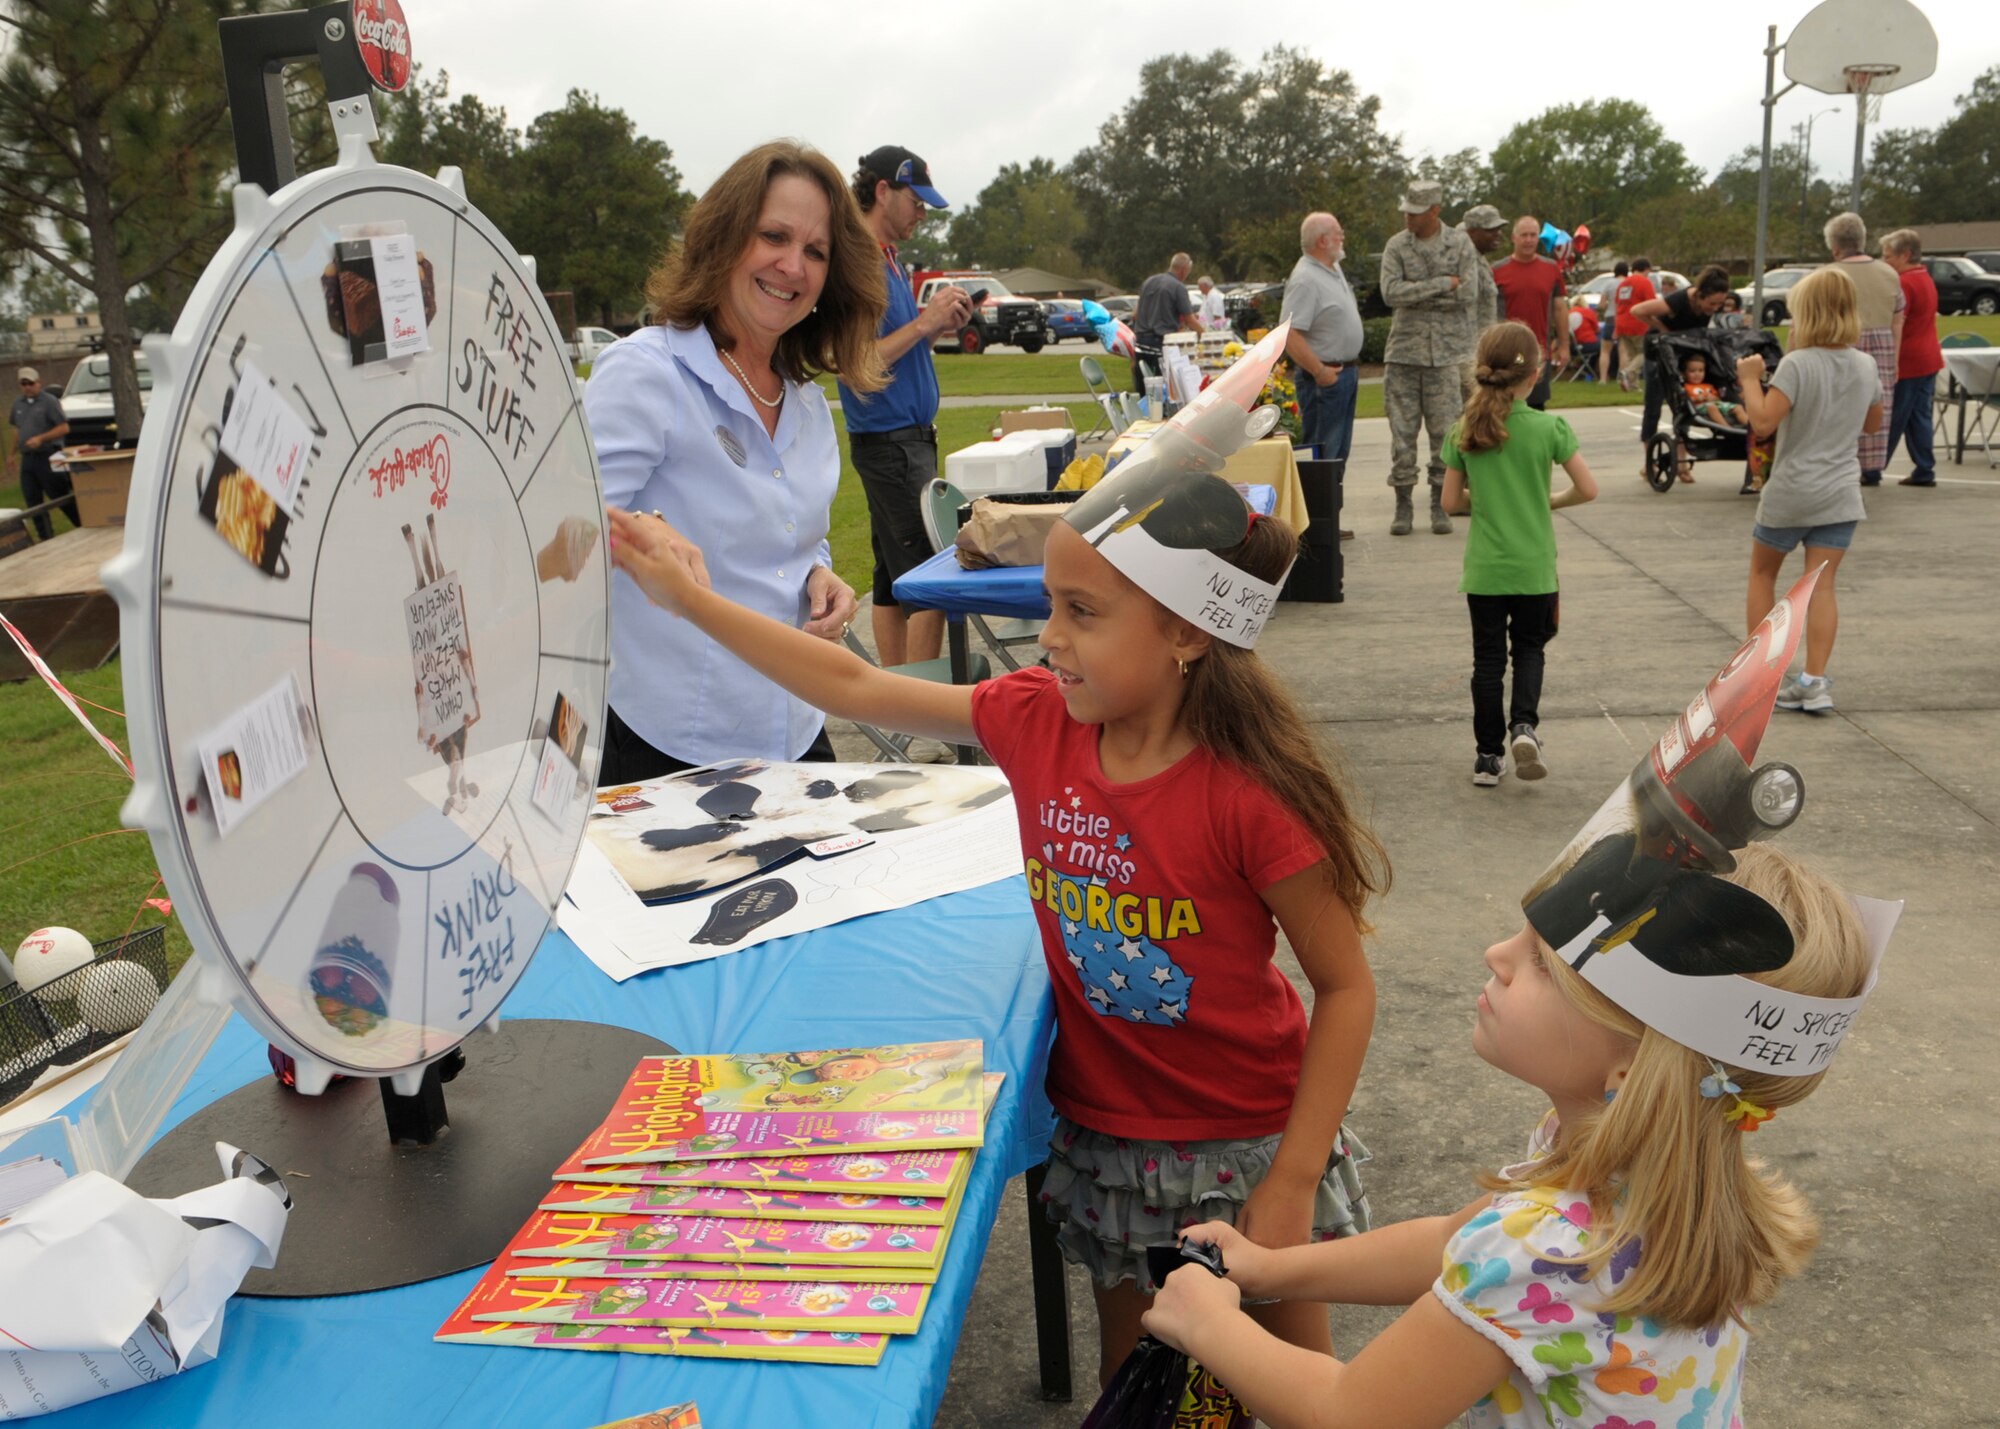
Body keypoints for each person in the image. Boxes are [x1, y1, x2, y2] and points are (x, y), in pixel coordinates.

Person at [605, 442, 1389, 1392]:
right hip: (1113, 1141)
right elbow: (855, 688)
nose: (1049, 635)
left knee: (1302, 1386)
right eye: (1051, 605)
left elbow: (1345, 987)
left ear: (1187, 632)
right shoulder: (1036, 717)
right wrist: (692, 602)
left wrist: (1295, 1177)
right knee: (1143, 1390)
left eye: (1082, 612)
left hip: (1247, 1143)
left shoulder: (1250, 794)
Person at [1141, 613, 1893, 1428]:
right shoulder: (1651, 1172)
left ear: (1629, 1070)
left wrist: (1210, 1323)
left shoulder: (1546, 1248)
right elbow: (1448, 1241)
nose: (1498, 953)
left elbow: (1350, 1410)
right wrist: (1273, 1266)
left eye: (1540, 962)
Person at [585, 140, 882, 785]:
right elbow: (555, 530)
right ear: (723, 238)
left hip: (797, 729)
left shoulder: (804, 402)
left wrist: (820, 576)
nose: (792, 266)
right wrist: (642, 528)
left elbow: (797, 536)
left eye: (815, 251)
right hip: (670, 750)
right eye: (773, 236)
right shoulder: (647, 372)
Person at [839, 146, 974, 699]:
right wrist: (927, 322)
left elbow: (896, 352)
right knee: (933, 582)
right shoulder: (862, 264)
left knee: (890, 586)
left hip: (903, 441)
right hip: (892, 444)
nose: (923, 213)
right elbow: (858, 364)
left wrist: (936, 326)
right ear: (882, 191)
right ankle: (921, 712)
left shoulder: (890, 259)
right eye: (916, 201)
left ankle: (895, 705)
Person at [1440, 322, 1598, 787]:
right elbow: (1588, 489)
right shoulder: (1550, 427)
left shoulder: (1465, 429)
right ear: (1535, 375)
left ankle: (1488, 756)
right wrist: (1548, 500)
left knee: (1487, 662)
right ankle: (1524, 726)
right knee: (1530, 650)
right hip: (1535, 571)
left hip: (1486, 572)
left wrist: (1485, 500)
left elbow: (1450, 503)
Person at [1735, 266, 1883, 715]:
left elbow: (1763, 421)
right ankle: (1815, 680)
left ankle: (1761, 677)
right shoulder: (1865, 364)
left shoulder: (1798, 364)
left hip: (1792, 491)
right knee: (1821, 585)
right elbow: (1872, 424)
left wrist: (1748, 380)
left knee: (1764, 576)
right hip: (1839, 493)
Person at [1380, 180, 1479, 536]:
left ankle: (1440, 503)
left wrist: (1418, 292)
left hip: (1446, 357)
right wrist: (1442, 284)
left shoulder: (1460, 243)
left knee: (1445, 435)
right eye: (1407, 210)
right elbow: (1391, 293)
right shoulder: (1396, 246)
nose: (1408, 216)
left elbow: (1468, 292)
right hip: (1404, 355)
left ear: (1435, 211)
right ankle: (1403, 504)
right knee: (1402, 436)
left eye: (1416, 212)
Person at [1823, 212, 1905, 487]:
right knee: (1876, 408)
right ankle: (1871, 468)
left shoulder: (1827, 276)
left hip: (1841, 345)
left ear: (1835, 246)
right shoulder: (1889, 273)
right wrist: (1894, 360)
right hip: (1881, 348)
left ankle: (1839, 464)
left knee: (1838, 407)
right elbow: (1898, 318)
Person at [1630, 265, 1735, 480]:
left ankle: (1681, 464)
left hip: (1682, 354)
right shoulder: (1679, 300)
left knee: (1683, 407)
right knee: (1653, 408)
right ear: (1699, 295)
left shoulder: (1707, 306)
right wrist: (1664, 329)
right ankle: (1650, 462)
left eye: (1719, 304)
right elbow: (1637, 311)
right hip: (1659, 353)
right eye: (1711, 303)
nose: (1715, 308)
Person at [1280, 213, 1363, 468]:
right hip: (1325, 381)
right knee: (1324, 457)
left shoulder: (1332, 268)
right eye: (1338, 232)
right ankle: (1317, 509)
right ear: (1323, 241)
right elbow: (1289, 333)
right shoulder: (1305, 279)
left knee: (1338, 456)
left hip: (1344, 375)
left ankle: (1330, 508)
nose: (1343, 236)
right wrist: (1319, 371)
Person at [1880, 228, 1941, 488]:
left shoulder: (1904, 283)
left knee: (1893, 416)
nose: (1885, 262)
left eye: (1888, 256)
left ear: (1905, 255)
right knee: (1919, 415)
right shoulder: (1924, 277)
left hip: (1909, 360)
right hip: (1929, 357)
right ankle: (1924, 468)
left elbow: (1897, 322)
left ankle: (1874, 467)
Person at [1491, 215, 1569, 411]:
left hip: (1539, 351)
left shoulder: (1551, 269)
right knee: (1504, 406)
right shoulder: (1496, 270)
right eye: (1524, 235)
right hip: (1507, 352)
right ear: (1514, 238)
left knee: (1535, 407)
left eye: (1533, 235)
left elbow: (1560, 309)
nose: (1528, 240)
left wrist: (1564, 345)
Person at [9, 367, 73, 539]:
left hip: (48, 455)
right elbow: (18, 430)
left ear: (38, 383)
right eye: (24, 384)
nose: (27, 387)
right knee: (32, 499)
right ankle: (45, 536)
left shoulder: (49, 401)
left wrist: (41, 438)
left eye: (30, 383)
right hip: (28, 458)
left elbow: (64, 427)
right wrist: (11, 454)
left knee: (58, 494)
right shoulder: (18, 404)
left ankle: (81, 523)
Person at [1131, 252, 1200, 395]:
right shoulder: (1177, 287)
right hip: (1160, 344)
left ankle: (1143, 415)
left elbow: (1135, 315)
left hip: (1141, 343)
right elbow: (1190, 320)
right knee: (1163, 392)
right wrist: (1205, 335)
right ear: (1184, 270)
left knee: (1144, 390)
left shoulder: (1148, 282)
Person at [1460, 204, 1506, 399]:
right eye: (1490, 230)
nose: (1498, 234)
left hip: (1481, 354)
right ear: (1472, 232)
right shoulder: (1463, 260)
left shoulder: (1477, 257)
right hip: (1468, 357)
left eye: (1498, 228)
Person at [1610, 258, 1655, 392]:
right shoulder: (1644, 282)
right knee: (1644, 353)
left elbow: (1618, 305)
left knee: (1632, 355)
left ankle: (1633, 386)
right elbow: (1651, 304)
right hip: (1638, 323)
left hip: (1622, 322)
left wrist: (1616, 327)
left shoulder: (1623, 284)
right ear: (1646, 269)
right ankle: (1627, 372)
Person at [1680, 353, 1744, 426]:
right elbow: (1683, 401)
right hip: (1698, 408)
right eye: (1692, 371)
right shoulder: (1686, 387)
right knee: (1711, 407)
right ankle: (1727, 427)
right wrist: (1695, 399)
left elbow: (1718, 398)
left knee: (1738, 407)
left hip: (1716, 405)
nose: (1697, 374)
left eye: (1701, 371)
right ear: (1684, 374)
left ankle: (1749, 428)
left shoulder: (1709, 386)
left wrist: (1713, 398)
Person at [1567, 300, 1599, 378]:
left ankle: (1584, 369)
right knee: (1605, 349)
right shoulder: (1588, 312)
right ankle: (1593, 371)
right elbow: (1597, 330)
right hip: (1588, 344)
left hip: (1573, 347)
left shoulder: (1568, 313)